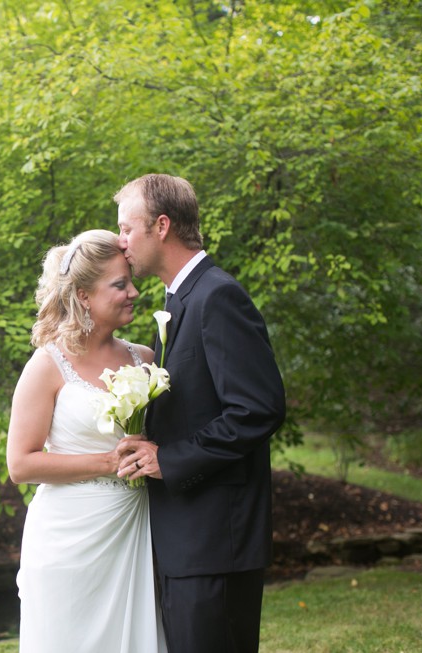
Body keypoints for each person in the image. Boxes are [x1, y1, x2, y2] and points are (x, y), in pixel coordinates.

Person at [113, 174, 287, 653]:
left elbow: (258, 409)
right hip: (187, 537)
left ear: (162, 226)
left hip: (216, 539)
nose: (120, 242)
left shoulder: (217, 297)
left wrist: (168, 459)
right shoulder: (179, 300)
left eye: (127, 229)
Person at [6, 229, 165, 653]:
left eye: (131, 279)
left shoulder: (146, 360)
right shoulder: (47, 365)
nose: (134, 291)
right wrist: (109, 461)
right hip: (68, 540)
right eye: (119, 284)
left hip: (134, 529)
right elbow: (21, 464)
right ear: (82, 295)